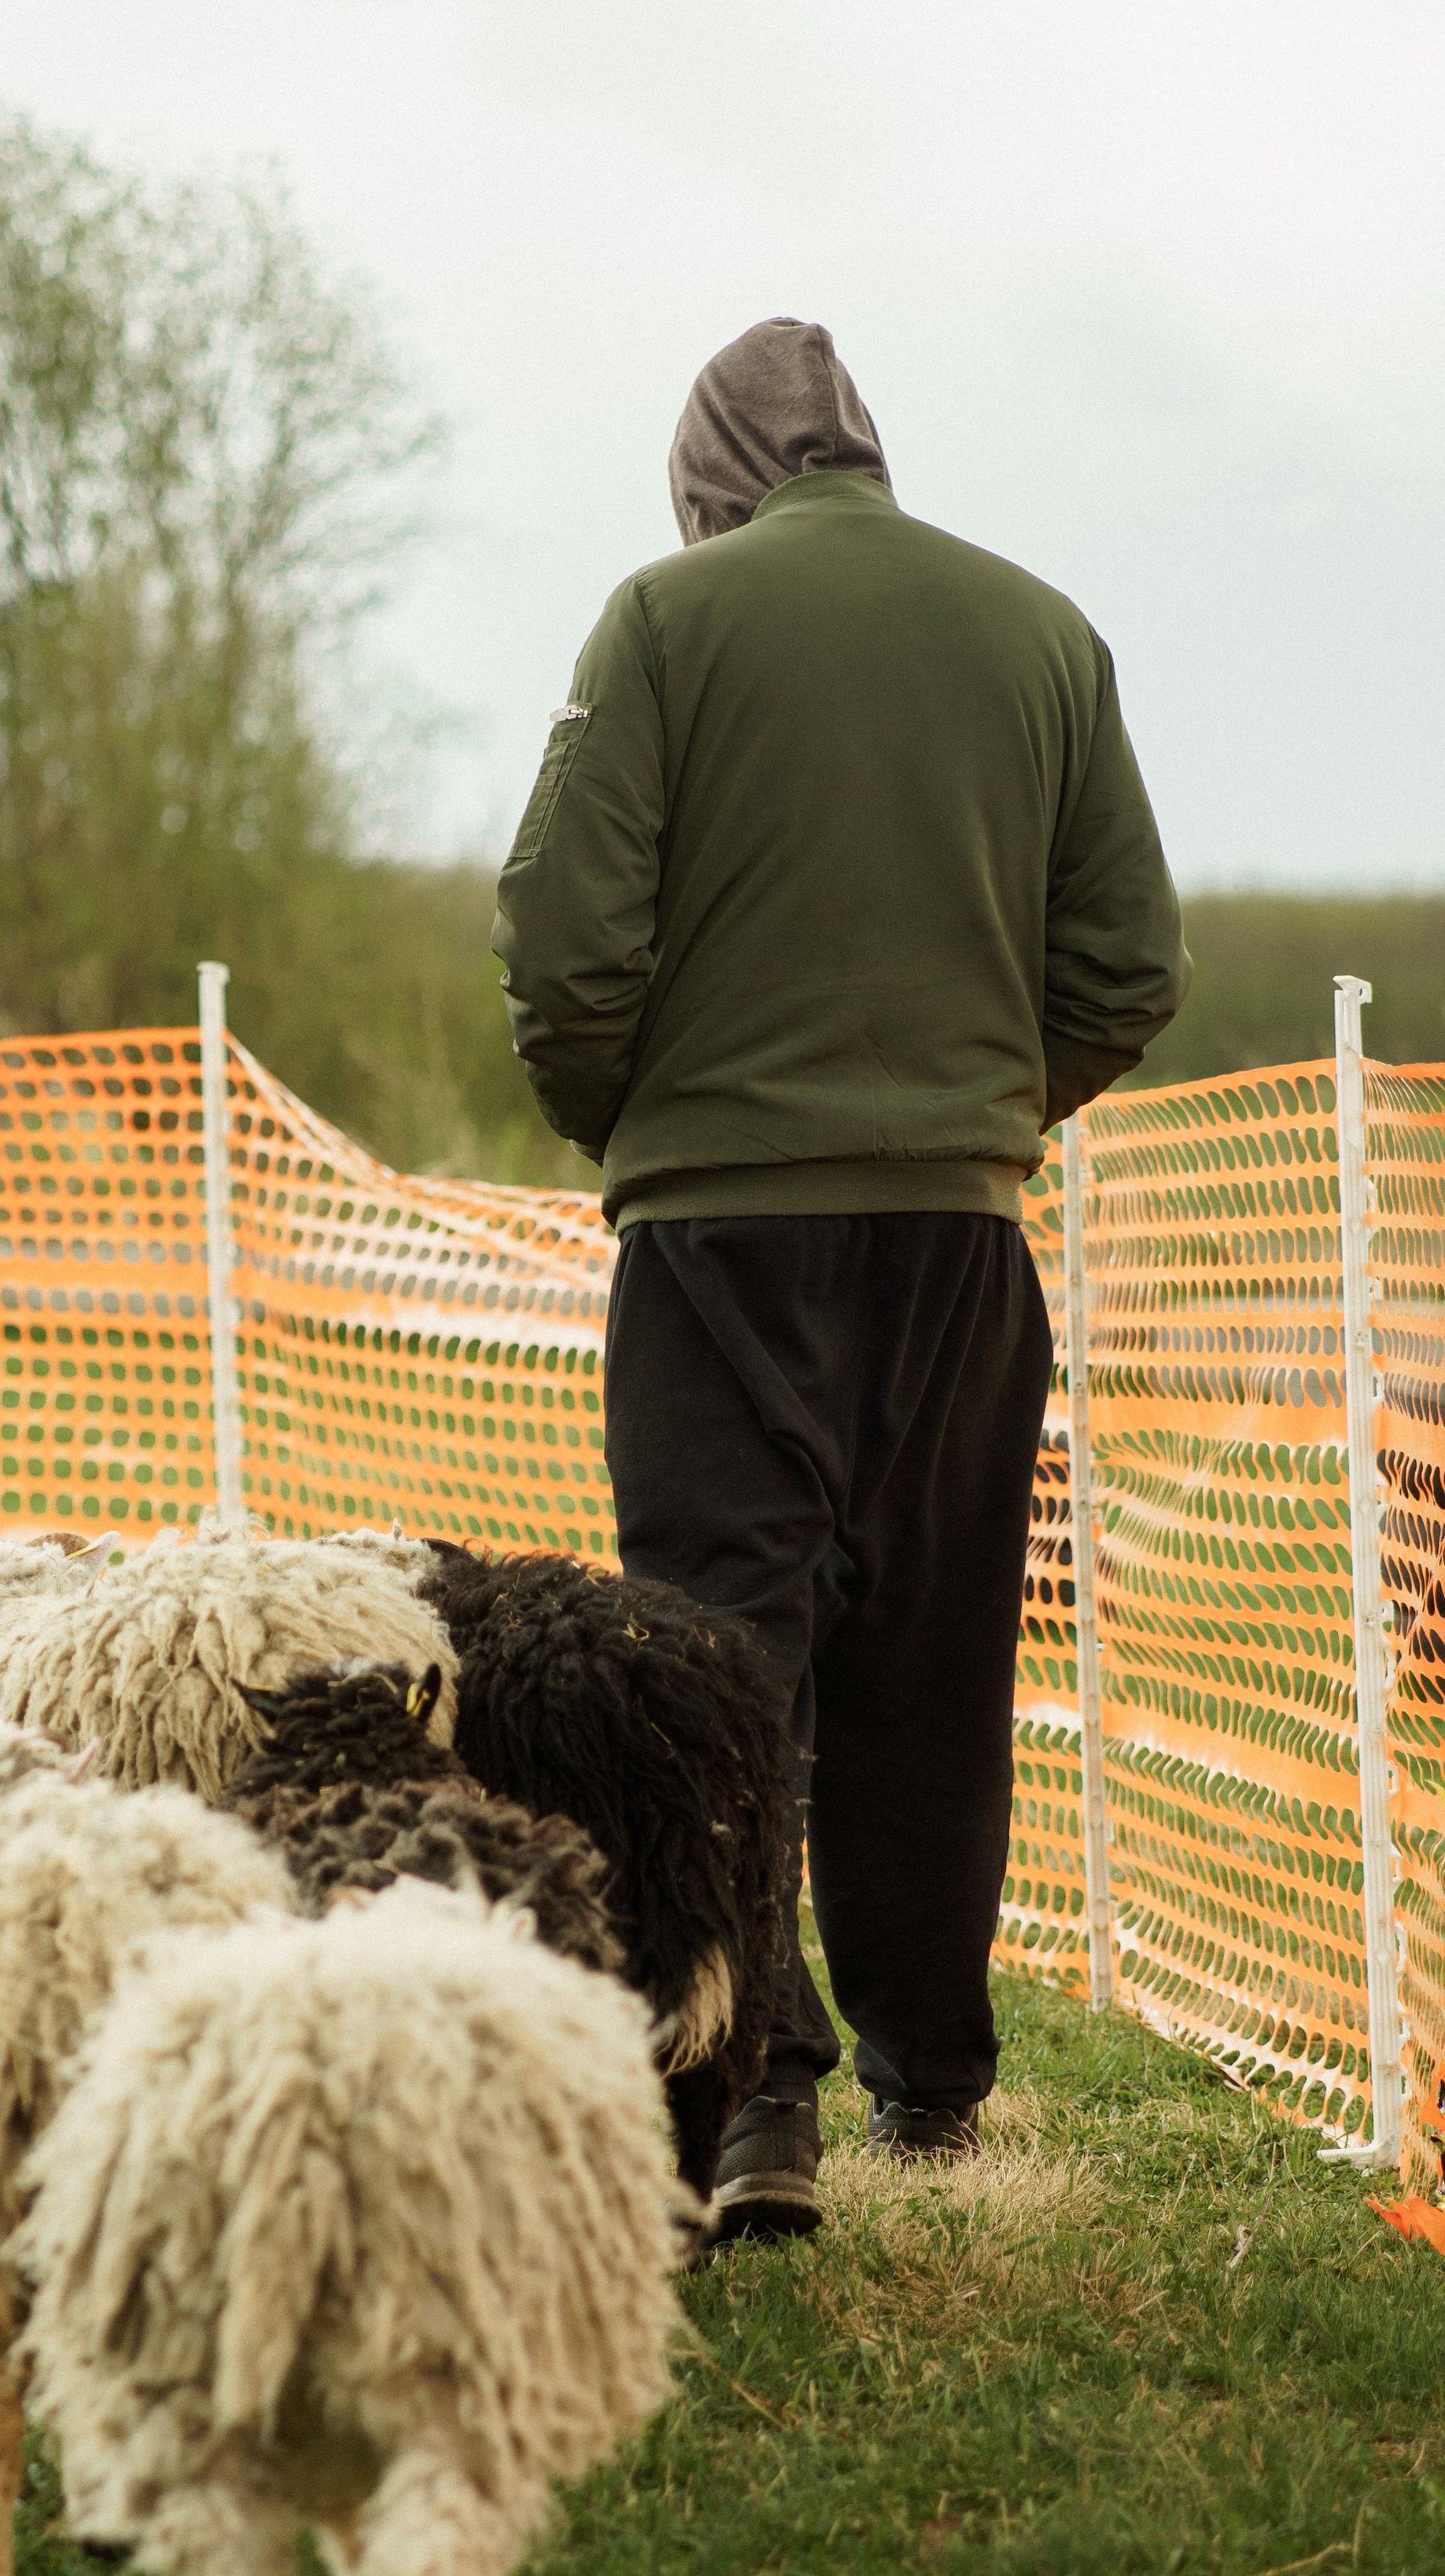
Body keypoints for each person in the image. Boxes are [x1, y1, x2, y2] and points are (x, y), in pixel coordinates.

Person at [492, 317, 1188, 2240]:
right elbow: (1128, 959)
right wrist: (979, 1111)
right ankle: (934, 2096)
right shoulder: (1040, 631)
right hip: (963, 1243)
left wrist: (631, 1119)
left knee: (716, 1673)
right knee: (932, 1663)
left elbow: (563, 945)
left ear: (708, 470)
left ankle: (745, 2109)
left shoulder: (659, 621)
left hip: (717, 1233)